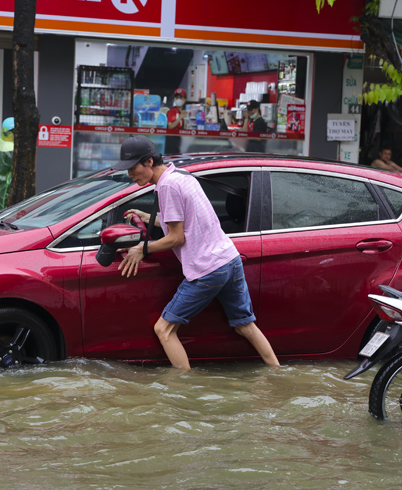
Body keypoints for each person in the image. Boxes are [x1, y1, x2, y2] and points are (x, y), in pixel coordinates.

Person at [112, 135, 280, 371]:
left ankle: (183, 393)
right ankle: (276, 371)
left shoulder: (168, 186)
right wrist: (149, 218)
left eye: (133, 168)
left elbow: (176, 238)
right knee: (245, 326)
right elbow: (184, 223)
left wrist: (142, 248)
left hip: (208, 269)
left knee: (164, 329)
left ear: (149, 162)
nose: (130, 175)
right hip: (229, 260)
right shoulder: (181, 176)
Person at [165, 88, 186, 154]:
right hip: (171, 141)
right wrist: (180, 117)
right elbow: (170, 126)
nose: (178, 99)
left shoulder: (184, 112)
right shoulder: (172, 111)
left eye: (180, 97)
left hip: (179, 141)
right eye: (176, 97)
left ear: (184, 99)